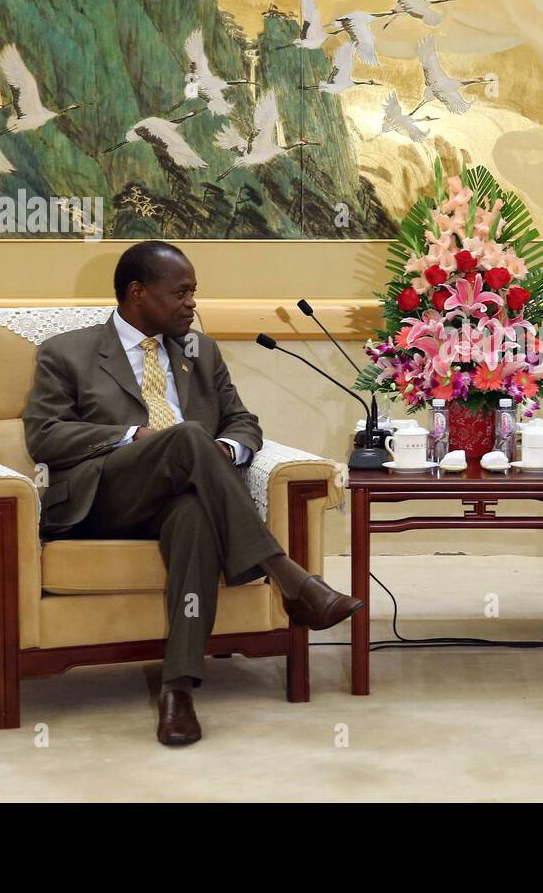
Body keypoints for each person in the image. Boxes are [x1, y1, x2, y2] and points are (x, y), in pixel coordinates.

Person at [23, 241, 362, 746]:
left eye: (194, 293)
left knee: (194, 515)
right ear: (137, 293)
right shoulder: (68, 352)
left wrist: (221, 453)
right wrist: (132, 436)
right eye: (180, 293)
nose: (192, 304)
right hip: (106, 497)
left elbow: (243, 422)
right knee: (184, 436)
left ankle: (177, 689)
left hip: (181, 493)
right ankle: (289, 577)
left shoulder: (200, 352)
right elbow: (43, 435)